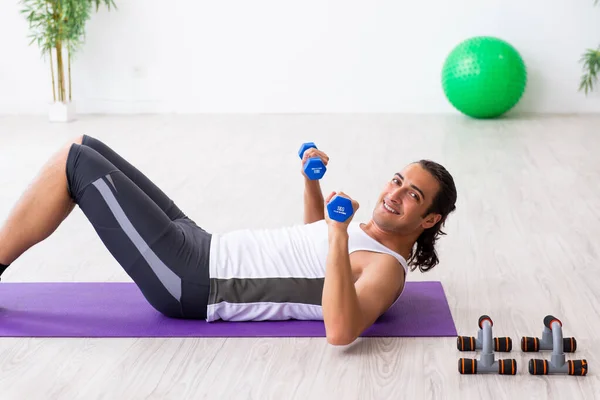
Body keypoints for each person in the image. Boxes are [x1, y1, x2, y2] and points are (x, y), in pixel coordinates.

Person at [0, 135, 457, 345]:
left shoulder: (386, 270)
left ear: (429, 218)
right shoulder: (367, 233)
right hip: (203, 244)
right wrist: (310, 184)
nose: (393, 194)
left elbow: (340, 331)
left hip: (195, 280)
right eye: (396, 181)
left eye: (411, 195)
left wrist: (339, 235)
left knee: (73, 163)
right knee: (87, 144)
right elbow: (310, 244)